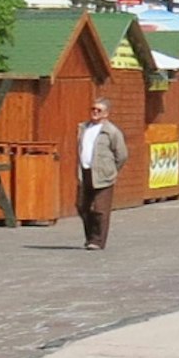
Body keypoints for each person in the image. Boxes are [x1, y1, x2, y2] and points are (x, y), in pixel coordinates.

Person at [76, 101, 129, 251]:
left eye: (99, 110)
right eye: (92, 109)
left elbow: (122, 154)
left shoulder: (111, 131)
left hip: (103, 174)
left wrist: (111, 169)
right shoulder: (83, 128)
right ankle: (89, 236)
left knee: (100, 209)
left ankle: (97, 240)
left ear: (106, 113)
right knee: (82, 206)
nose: (95, 112)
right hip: (85, 172)